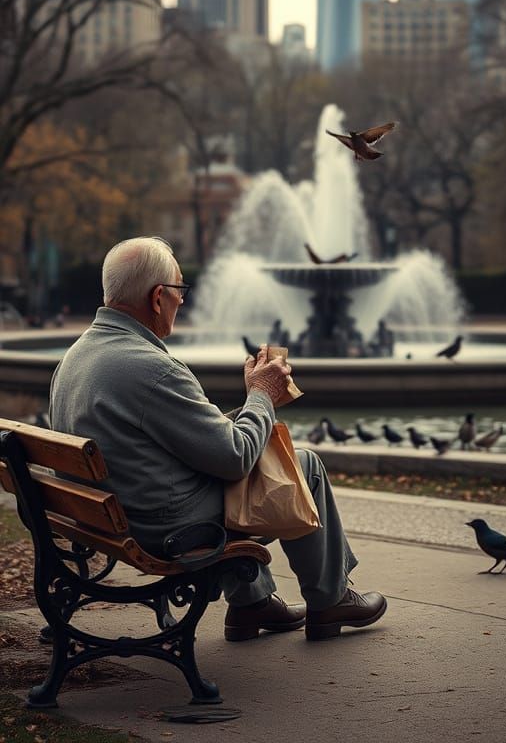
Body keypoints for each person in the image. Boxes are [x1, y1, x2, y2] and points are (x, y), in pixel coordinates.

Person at [49, 237, 387, 642]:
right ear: (158, 297)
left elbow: (178, 439)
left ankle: (253, 603)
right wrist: (261, 396)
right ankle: (330, 600)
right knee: (304, 465)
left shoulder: (77, 356)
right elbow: (234, 458)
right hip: (166, 527)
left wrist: (249, 409)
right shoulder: (153, 369)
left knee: (237, 467)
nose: (183, 302)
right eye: (180, 291)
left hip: (110, 515)